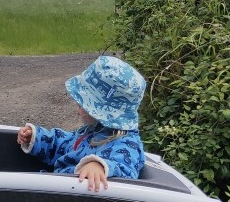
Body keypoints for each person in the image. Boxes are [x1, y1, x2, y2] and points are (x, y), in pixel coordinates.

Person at [17, 55, 146, 191]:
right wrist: (37, 138)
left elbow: (124, 166)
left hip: (72, 201)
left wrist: (99, 166)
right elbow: (64, 144)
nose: (78, 103)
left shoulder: (127, 143)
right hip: (58, 187)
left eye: (85, 102)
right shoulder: (94, 130)